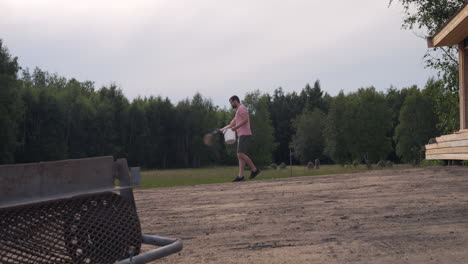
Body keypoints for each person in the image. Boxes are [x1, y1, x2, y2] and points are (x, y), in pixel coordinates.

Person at [220, 95, 261, 182]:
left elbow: (245, 120)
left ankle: (254, 170)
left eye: (231, 102)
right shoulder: (238, 111)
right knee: (240, 156)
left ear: (235, 101)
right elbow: (231, 125)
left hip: (245, 134)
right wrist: (222, 129)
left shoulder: (242, 108)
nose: (231, 104)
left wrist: (236, 127)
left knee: (240, 154)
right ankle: (241, 176)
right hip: (241, 135)